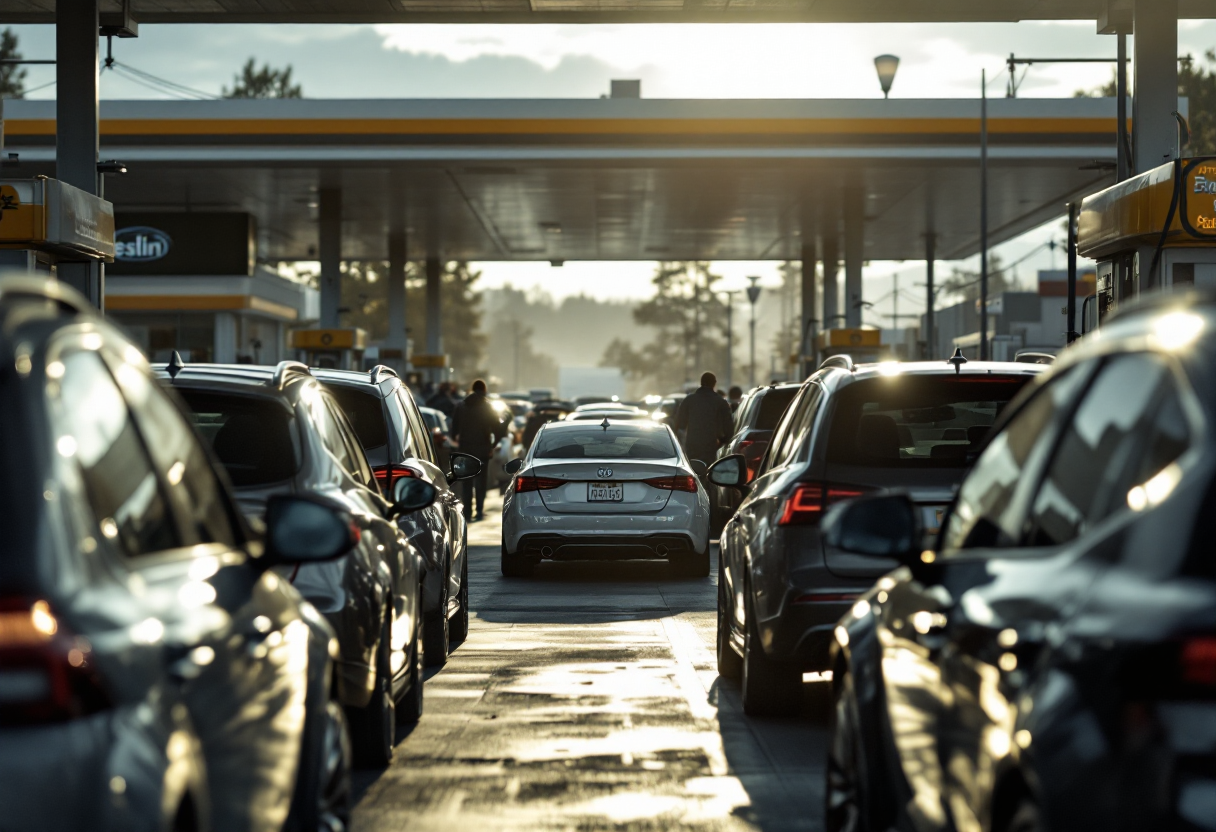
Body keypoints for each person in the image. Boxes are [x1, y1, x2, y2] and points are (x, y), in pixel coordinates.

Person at [450, 379, 509, 521]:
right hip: (482, 449)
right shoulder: (487, 407)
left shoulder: (461, 406)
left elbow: (453, 430)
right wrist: (493, 444)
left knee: (466, 482)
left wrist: (459, 441)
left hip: (465, 449)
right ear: (484, 390)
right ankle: (480, 511)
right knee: (481, 482)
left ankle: (468, 512)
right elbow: (497, 429)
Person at [674, 371, 734, 469]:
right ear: (714, 384)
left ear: (701, 383)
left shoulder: (689, 400)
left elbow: (679, 425)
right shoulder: (721, 402)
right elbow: (729, 428)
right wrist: (723, 442)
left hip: (691, 446)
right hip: (711, 447)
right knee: (709, 474)